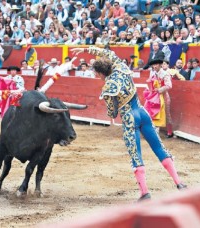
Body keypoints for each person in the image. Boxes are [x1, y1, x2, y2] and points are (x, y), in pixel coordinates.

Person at [71, 46, 187, 202]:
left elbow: (112, 113)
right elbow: (107, 53)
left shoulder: (109, 86)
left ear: (99, 73)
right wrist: (86, 48)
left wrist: (113, 104)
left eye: (95, 74)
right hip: (142, 112)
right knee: (159, 147)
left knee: (135, 155)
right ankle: (179, 182)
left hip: (129, 118)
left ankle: (145, 192)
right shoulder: (121, 66)